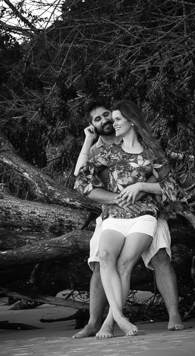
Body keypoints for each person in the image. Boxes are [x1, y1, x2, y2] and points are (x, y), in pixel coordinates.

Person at [73, 100, 181, 338]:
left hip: (147, 213)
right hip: (114, 215)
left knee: (155, 255)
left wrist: (142, 186)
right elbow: (80, 180)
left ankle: (169, 315)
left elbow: (172, 185)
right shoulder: (104, 152)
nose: (110, 121)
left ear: (130, 121)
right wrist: (115, 199)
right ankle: (100, 321)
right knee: (103, 260)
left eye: (113, 117)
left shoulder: (151, 150)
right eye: (100, 119)